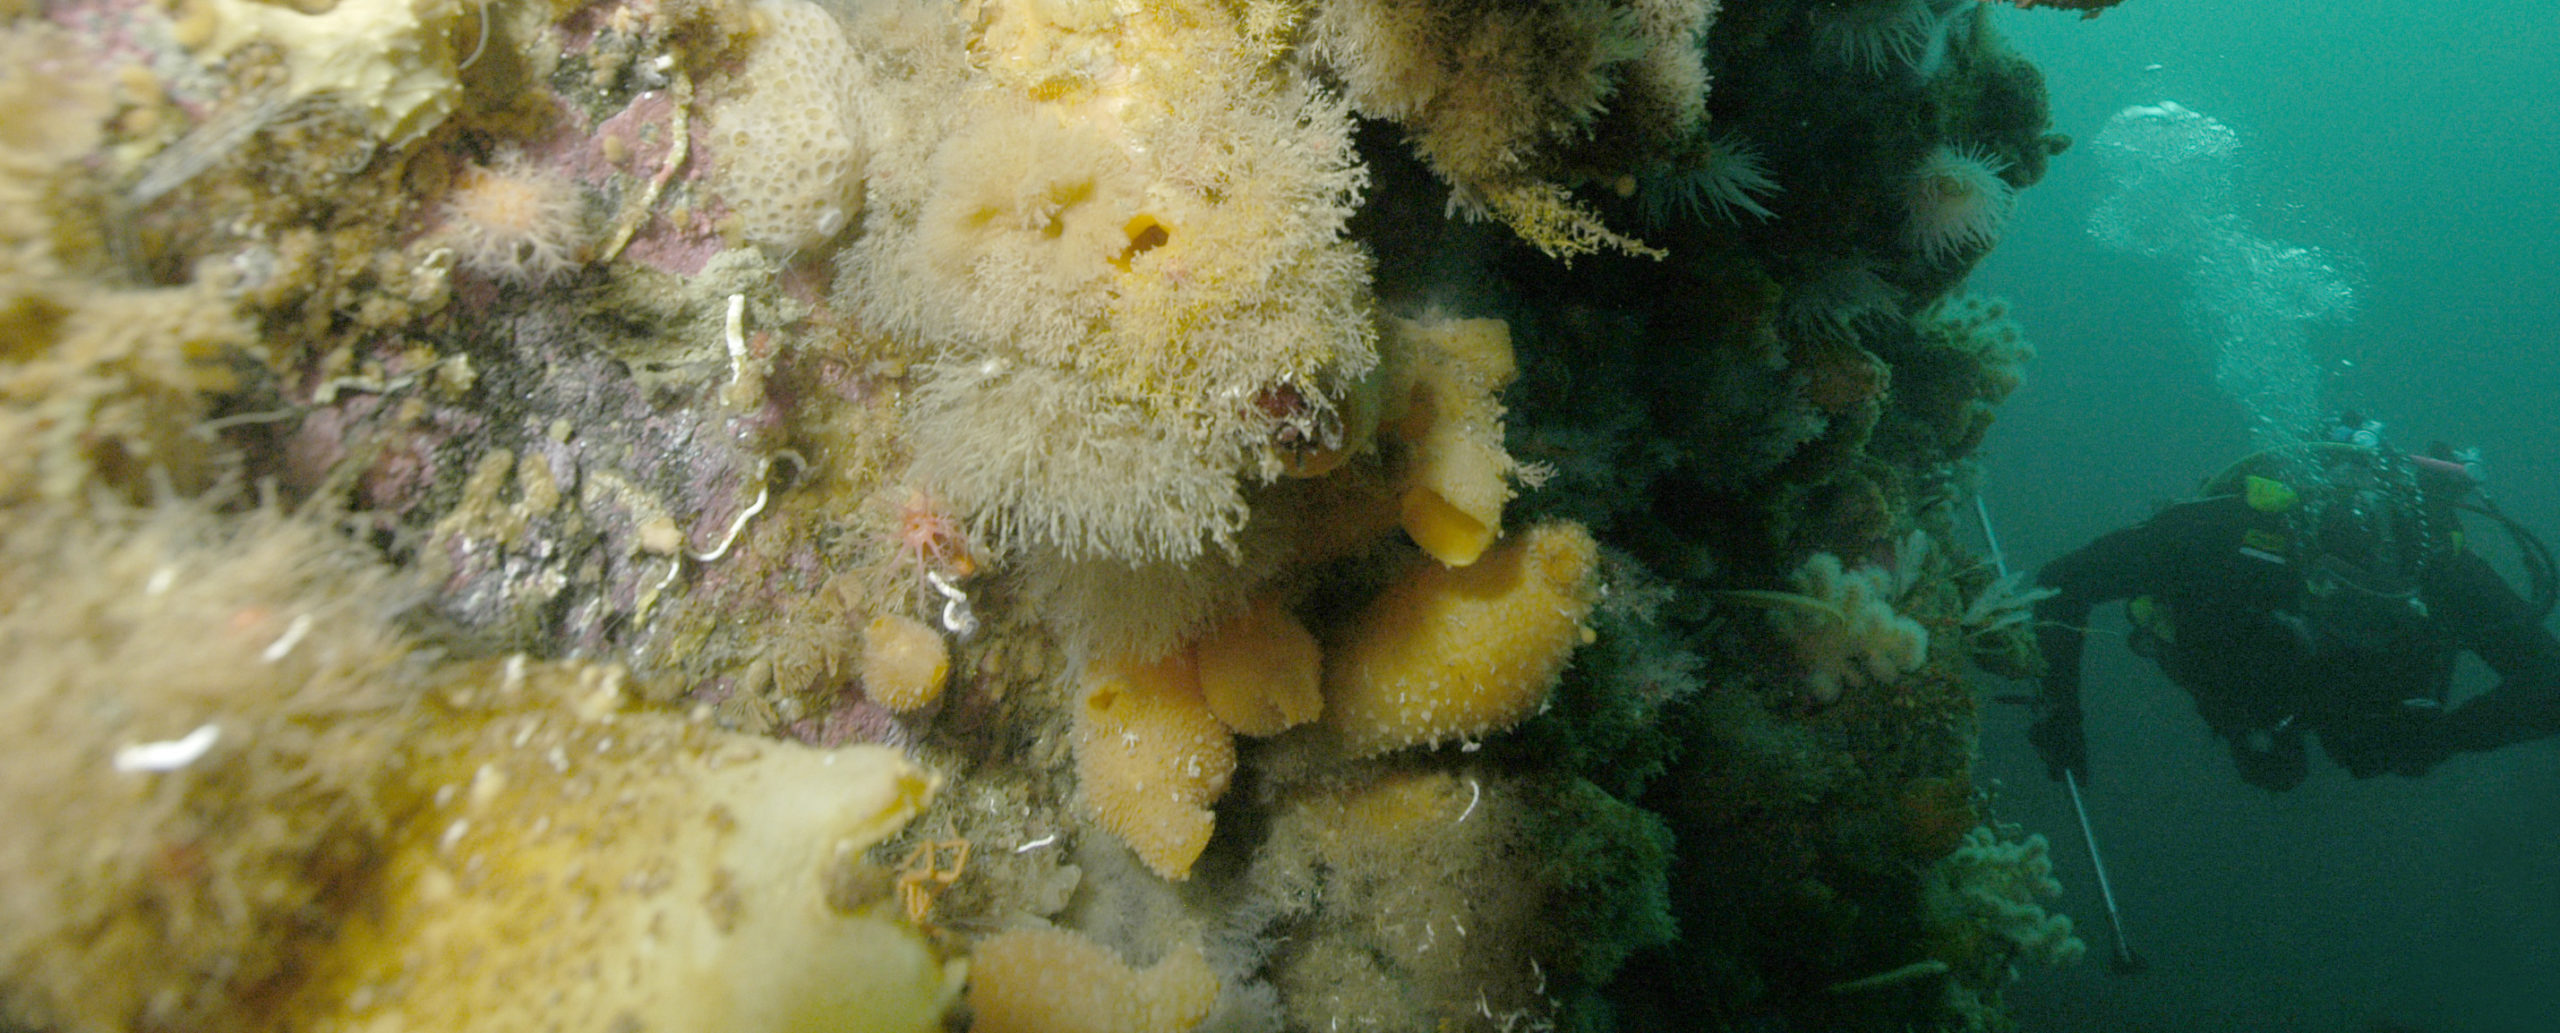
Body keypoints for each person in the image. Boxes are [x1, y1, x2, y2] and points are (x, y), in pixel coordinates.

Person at [2028, 421, 2560, 791]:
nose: (2362, 619)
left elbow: (2551, 684)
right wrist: (2060, 710)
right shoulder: (2240, 535)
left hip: (2355, 702)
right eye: (2348, 602)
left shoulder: (2438, 560)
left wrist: (2448, 737)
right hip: (2242, 668)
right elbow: (2063, 582)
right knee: (2275, 770)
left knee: (2338, 757)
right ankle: (2255, 727)